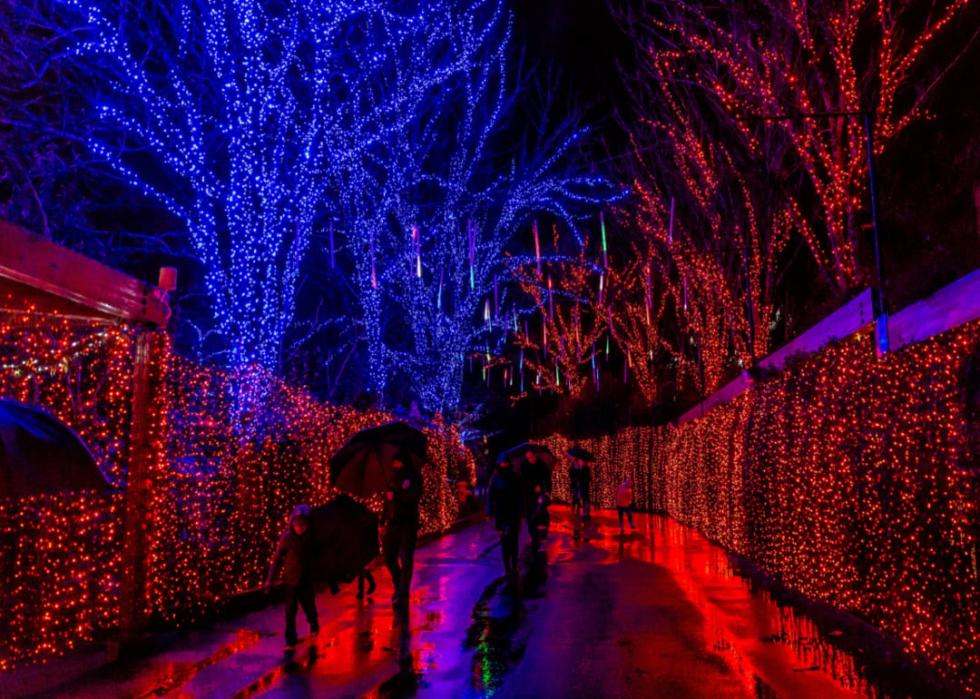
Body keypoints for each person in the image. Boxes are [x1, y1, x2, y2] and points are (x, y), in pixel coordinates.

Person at [266, 504, 319, 652]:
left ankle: (313, 622)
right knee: (290, 611)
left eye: (302, 525)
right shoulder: (287, 538)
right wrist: (269, 580)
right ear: (292, 523)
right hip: (291, 580)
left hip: (306, 579)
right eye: (297, 524)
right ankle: (290, 640)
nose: (299, 528)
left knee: (309, 606)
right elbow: (277, 559)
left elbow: (319, 556)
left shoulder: (311, 538)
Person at [382, 452, 424, 607]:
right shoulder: (392, 478)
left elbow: (413, 497)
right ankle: (399, 583)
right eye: (394, 463)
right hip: (392, 524)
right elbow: (386, 502)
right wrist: (382, 521)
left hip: (407, 523)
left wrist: (397, 495)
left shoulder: (414, 477)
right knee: (388, 556)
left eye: (398, 462)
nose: (395, 465)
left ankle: (402, 591)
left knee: (406, 558)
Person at [488, 456, 524, 578]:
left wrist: (521, 511)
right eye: (502, 463)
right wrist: (489, 511)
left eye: (505, 462)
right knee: (505, 542)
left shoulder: (514, 477)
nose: (504, 464)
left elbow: (520, 495)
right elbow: (491, 496)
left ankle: (513, 565)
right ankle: (508, 566)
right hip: (502, 513)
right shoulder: (496, 478)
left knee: (513, 541)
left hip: (511, 512)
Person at [520, 449, 551, 553]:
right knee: (530, 518)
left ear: (535, 455)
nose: (530, 459)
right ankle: (534, 539)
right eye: (528, 457)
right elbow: (523, 481)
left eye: (531, 456)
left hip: (539, 496)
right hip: (528, 496)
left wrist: (542, 488)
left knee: (541, 517)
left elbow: (547, 480)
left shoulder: (542, 466)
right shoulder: (524, 466)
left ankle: (542, 541)